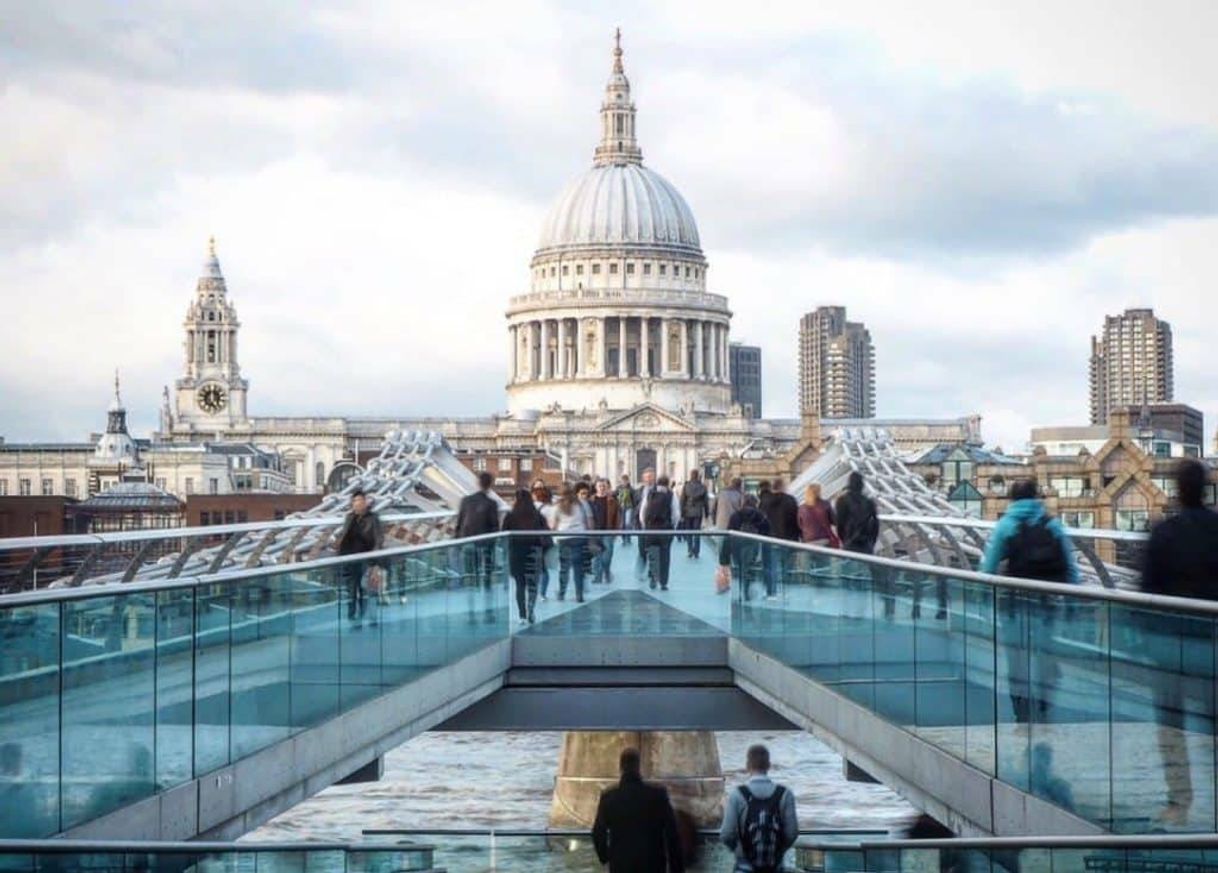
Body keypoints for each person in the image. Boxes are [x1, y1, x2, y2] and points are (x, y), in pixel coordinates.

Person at [1140, 459, 1218, 827]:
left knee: (1172, 729)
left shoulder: (1163, 532)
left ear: (1176, 490)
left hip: (1168, 648)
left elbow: (1144, 593)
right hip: (1213, 646)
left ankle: (1179, 804)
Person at [981, 478, 1079, 724]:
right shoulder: (1052, 525)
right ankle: (1044, 706)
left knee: (1016, 660)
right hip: (1046, 606)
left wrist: (983, 598)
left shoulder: (1006, 525)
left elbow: (988, 567)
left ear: (1012, 498)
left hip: (1014, 607)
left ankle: (1021, 712)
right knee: (1043, 653)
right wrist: (1072, 605)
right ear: (1036, 498)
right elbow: (1071, 569)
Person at [592, 747, 684, 873]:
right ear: (638, 766)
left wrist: (605, 857)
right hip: (653, 865)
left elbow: (598, 833)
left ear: (621, 767)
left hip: (621, 866)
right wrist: (676, 868)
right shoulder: (658, 795)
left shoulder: (609, 797)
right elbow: (672, 834)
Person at [720, 744, 798, 873]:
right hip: (774, 867)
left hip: (744, 867)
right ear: (769, 765)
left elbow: (726, 834)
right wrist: (778, 850)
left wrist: (739, 851)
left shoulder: (738, 794)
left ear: (747, 765)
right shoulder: (784, 794)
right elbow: (792, 833)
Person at [336, 489, 384, 627]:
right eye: (354, 502)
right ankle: (352, 618)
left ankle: (362, 616)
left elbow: (378, 540)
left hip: (366, 560)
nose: (356, 504)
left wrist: (375, 562)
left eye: (359, 501)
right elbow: (344, 536)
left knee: (364, 590)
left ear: (365, 502)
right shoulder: (349, 518)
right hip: (349, 560)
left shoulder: (373, 518)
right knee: (351, 591)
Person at [502, 489, 548, 624]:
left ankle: (522, 615)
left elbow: (504, 534)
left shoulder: (510, 515)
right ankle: (531, 610)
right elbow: (545, 533)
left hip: (516, 552)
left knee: (520, 585)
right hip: (534, 551)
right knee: (533, 584)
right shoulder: (537, 515)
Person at [721, 495, 771, 600]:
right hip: (752, 544)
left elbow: (728, 535)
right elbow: (767, 529)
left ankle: (738, 591)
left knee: (739, 568)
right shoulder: (759, 515)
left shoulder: (736, 515)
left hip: (736, 545)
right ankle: (746, 590)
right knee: (748, 568)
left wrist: (724, 556)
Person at [455, 471, 501, 589]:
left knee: (470, 569)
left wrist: (457, 540)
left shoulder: (466, 500)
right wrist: (494, 541)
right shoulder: (492, 503)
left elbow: (460, 521)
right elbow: (495, 525)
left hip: (468, 540)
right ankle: (487, 588)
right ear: (490, 484)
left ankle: (473, 590)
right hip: (485, 542)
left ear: (478, 483)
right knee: (486, 568)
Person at [550, 482, 592, 602]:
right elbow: (586, 521)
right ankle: (579, 594)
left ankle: (562, 593)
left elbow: (553, 524)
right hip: (579, 536)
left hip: (564, 538)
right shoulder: (580, 504)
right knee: (578, 567)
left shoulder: (557, 506)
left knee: (564, 567)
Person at [758, 479, 799, 599]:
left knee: (770, 567)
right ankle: (786, 592)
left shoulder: (764, 501)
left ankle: (771, 592)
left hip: (769, 538)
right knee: (787, 567)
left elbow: (761, 520)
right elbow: (795, 521)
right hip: (788, 538)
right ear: (783, 487)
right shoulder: (791, 500)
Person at [643, 475, 679, 591]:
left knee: (653, 555)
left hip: (651, 529)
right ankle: (663, 582)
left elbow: (642, 511)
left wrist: (645, 525)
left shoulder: (650, 493)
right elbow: (676, 513)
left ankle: (653, 577)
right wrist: (673, 526)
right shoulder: (671, 495)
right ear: (667, 483)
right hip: (665, 529)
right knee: (665, 555)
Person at [590, 478, 621, 585]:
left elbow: (617, 518)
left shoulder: (613, 501)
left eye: (604, 486)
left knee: (607, 556)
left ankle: (606, 571)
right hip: (594, 532)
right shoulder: (591, 500)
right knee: (596, 556)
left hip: (608, 532)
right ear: (596, 487)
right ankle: (597, 577)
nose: (602, 488)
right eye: (600, 486)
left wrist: (616, 532)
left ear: (607, 487)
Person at [532, 481, 555, 600]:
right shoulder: (550, 508)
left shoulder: (531, 506)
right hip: (546, 540)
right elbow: (552, 526)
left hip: (532, 540)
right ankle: (543, 593)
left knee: (535, 566)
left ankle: (534, 591)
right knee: (543, 567)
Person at [679, 470, 710, 559]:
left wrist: (681, 513)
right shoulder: (703, 487)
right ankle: (696, 551)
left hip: (687, 511)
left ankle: (689, 549)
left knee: (689, 532)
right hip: (698, 512)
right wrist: (707, 513)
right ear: (698, 476)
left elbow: (682, 500)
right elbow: (706, 502)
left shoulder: (686, 486)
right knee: (697, 532)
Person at [617, 474, 638, 546]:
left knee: (628, 523)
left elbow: (634, 498)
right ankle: (623, 539)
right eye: (623, 481)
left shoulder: (631, 489)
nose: (624, 482)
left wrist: (635, 507)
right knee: (622, 524)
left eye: (625, 481)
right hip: (620, 508)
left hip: (629, 507)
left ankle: (628, 538)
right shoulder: (618, 488)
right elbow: (614, 496)